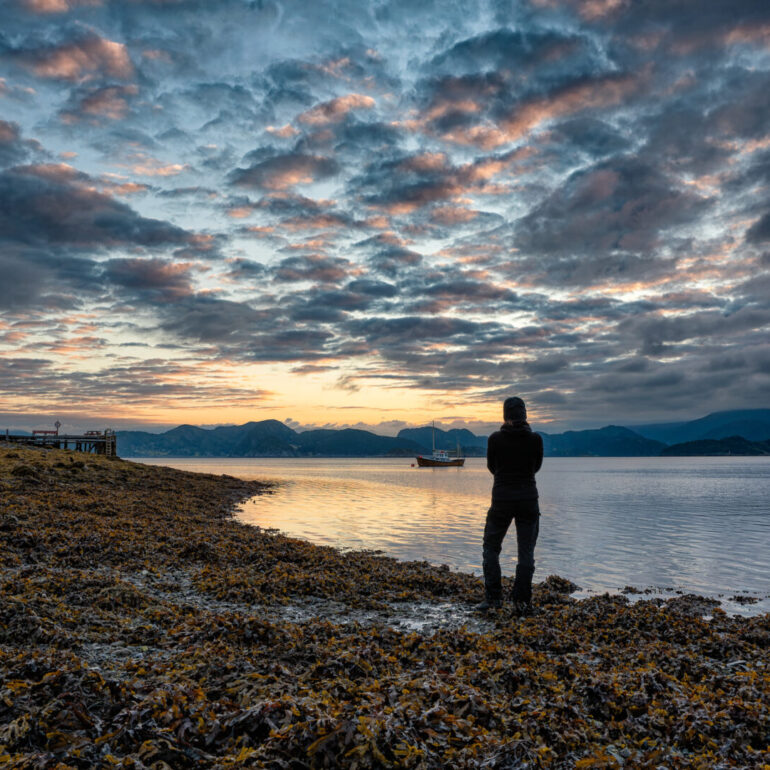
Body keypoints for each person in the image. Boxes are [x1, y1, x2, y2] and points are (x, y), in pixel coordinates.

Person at [477, 396, 543, 613]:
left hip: (502, 500)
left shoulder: (495, 439)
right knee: (526, 552)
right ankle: (522, 602)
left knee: (491, 548)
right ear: (524, 415)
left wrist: (506, 479)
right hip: (528, 500)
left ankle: (494, 599)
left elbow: (491, 467)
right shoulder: (535, 440)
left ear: (505, 415)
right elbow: (536, 467)